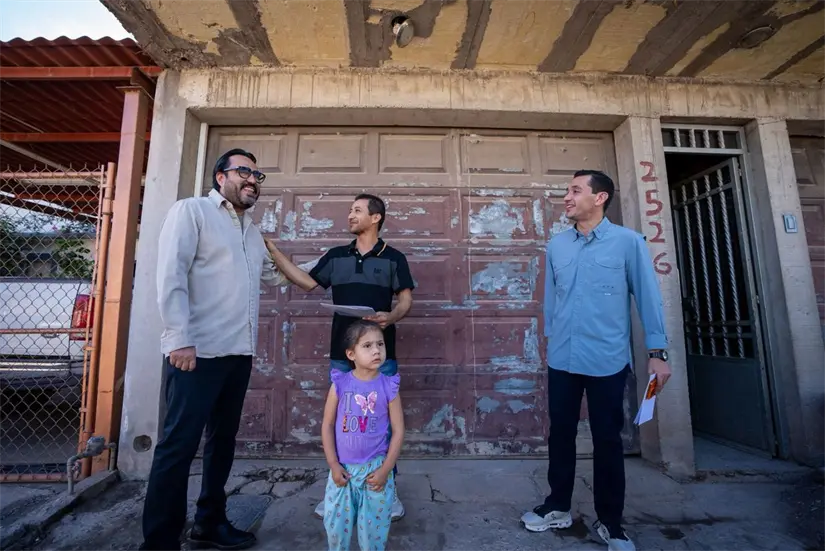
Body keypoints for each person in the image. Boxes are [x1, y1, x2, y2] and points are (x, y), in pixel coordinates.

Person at [520, 170, 671, 551]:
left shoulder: (628, 242)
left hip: (607, 359)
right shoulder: (557, 245)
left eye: (575, 190)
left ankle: (611, 522)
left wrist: (658, 353)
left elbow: (648, 299)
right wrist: (549, 342)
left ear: (600, 198)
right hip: (563, 359)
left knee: (607, 440)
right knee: (561, 434)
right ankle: (557, 506)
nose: (567, 197)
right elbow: (551, 301)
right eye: (568, 191)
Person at [140, 149, 278, 551]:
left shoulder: (252, 231)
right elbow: (170, 275)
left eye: (257, 174)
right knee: (177, 446)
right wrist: (178, 338)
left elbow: (273, 279)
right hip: (195, 353)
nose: (252, 179)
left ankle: (209, 522)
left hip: (238, 353)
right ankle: (160, 541)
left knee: (223, 442)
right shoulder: (192, 212)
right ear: (220, 177)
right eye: (244, 171)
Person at [265, 193, 413, 521]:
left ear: (376, 218)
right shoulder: (336, 256)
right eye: (350, 210)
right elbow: (305, 282)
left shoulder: (394, 258)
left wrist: (391, 317)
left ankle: (386, 488)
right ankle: (340, 485)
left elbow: (404, 300)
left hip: (379, 356)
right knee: (344, 422)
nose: (350, 215)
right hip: (341, 356)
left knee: (381, 424)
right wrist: (275, 252)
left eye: (357, 211)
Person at [320, 320, 404, 551]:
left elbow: (398, 431)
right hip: (343, 471)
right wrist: (333, 465)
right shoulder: (340, 384)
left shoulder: (389, 386)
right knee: (336, 530)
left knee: (373, 536)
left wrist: (386, 470)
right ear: (351, 354)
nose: (377, 350)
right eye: (367, 346)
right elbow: (327, 425)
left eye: (380, 344)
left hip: (375, 472)